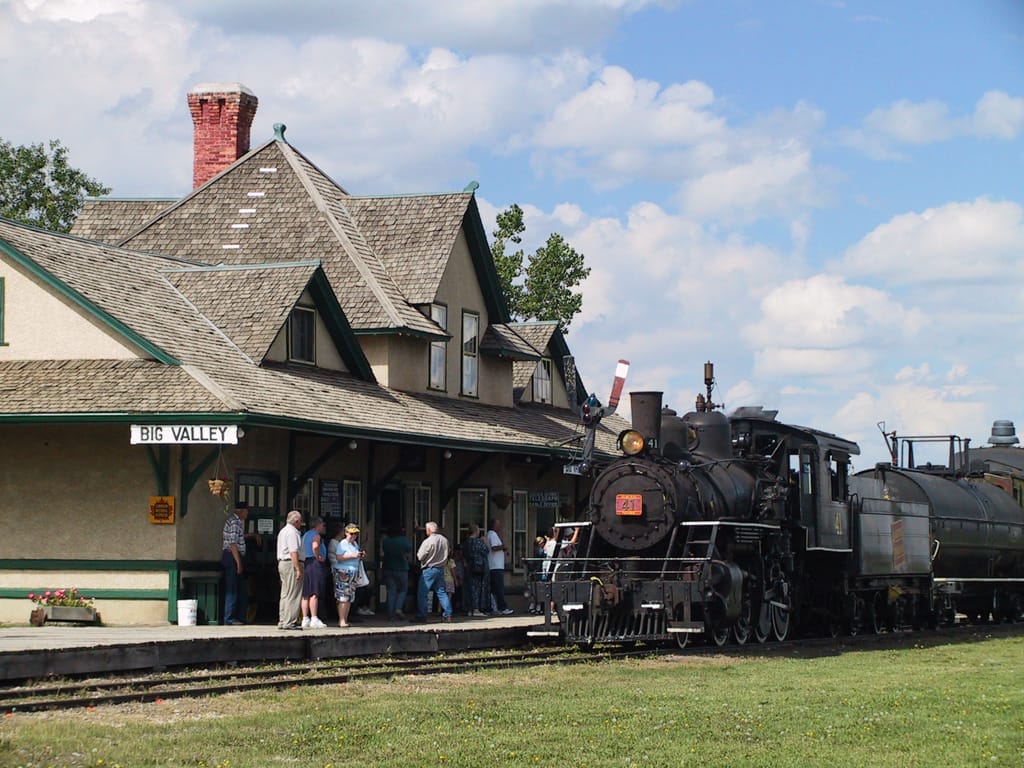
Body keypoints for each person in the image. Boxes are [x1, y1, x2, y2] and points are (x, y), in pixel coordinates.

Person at [414, 521, 453, 622]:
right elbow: (448, 552)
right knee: (441, 592)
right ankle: (448, 614)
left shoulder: (428, 541)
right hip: (441, 568)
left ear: (429, 530)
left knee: (422, 593)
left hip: (429, 568)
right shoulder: (444, 540)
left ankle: (422, 615)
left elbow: (420, 556)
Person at [221, 500, 253, 625]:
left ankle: (239, 617)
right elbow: (233, 543)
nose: (247, 513)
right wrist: (238, 563)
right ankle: (229, 618)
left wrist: (252, 535)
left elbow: (238, 537)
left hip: (234, 556)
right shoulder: (234, 522)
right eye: (246, 511)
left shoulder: (236, 522)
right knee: (232, 588)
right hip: (232, 556)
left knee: (240, 589)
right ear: (241, 511)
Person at [330, 523, 364, 628]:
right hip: (344, 572)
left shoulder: (354, 544)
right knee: (343, 597)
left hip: (353, 572)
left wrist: (360, 555)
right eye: (351, 533)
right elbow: (339, 557)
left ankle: (345, 619)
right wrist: (353, 556)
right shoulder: (343, 543)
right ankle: (341, 620)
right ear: (346, 533)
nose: (354, 536)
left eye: (355, 534)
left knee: (349, 597)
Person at [276, 510, 304, 630]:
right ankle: (290, 622)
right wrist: (298, 569)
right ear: (296, 521)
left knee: (285, 593)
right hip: (291, 563)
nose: (301, 523)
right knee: (293, 593)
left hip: (283, 563)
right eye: (300, 521)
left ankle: (283, 620)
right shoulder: (293, 532)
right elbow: (293, 552)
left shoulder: (283, 531)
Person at [300, 516, 328, 628]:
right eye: (322, 524)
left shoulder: (305, 535)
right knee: (314, 592)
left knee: (305, 593)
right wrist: (318, 556)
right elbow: (315, 546)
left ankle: (305, 618)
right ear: (318, 525)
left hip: (305, 563)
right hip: (314, 563)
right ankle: (314, 618)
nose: (323, 526)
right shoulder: (316, 535)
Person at [381, 525, 413, 619]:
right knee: (403, 589)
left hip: (388, 567)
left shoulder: (386, 541)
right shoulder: (403, 540)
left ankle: (390, 614)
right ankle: (398, 608)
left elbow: (383, 550)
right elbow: (410, 548)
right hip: (401, 567)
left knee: (391, 591)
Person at [462, 524, 490, 617]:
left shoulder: (466, 542)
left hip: (469, 567)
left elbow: (464, 555)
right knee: (477, 589)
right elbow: (486, 551)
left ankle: (470, 609)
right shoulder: (478, 542)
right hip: (479, 567)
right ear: (476, 531)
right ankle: (476, 609)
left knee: (469, 588)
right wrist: (485, 542)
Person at [486, 518, 513, 614]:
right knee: (499, 588)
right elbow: (494, 547)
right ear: (493, 525)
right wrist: (503, 547)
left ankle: (494, 607)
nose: (500, 526)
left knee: (493, 589)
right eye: (498, 524)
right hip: (495, 566)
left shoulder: (491, 534)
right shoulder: (492, 534)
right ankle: (502, 607)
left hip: (494, 565)